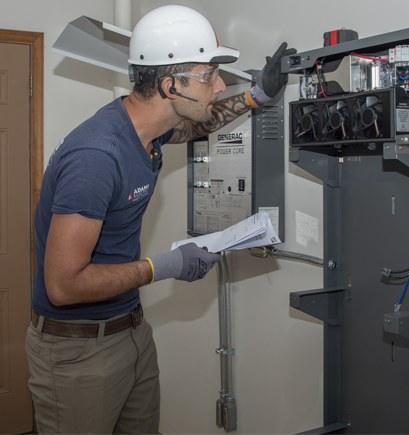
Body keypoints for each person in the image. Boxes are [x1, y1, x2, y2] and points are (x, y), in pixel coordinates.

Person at [24, 5, 296, 434]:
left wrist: (257, 95)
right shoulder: (96, 156)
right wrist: (164, 266)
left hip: (129, 329)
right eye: (209, 76)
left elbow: (196, 127)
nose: (219, 84)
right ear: (171, 85)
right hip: (76, 351)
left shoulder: (147, 130)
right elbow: (62, 285)